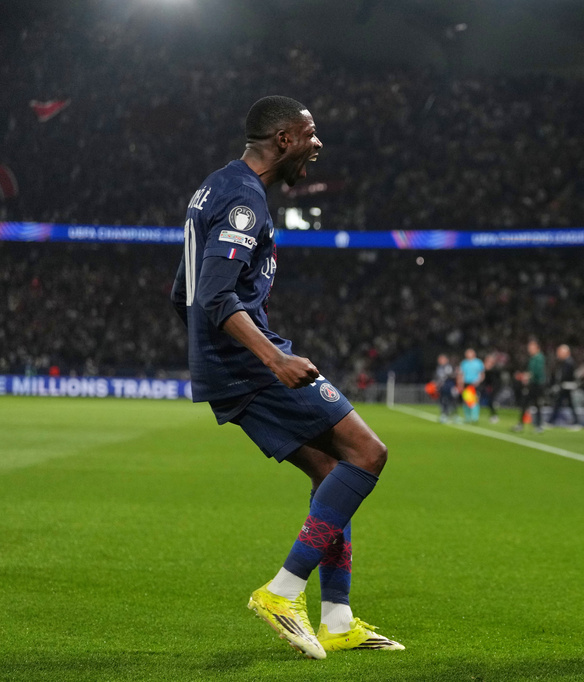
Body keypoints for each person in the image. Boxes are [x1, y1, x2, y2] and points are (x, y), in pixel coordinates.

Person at [170, 96, 402, 659]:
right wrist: (272, 359)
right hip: (250, 365)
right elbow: (217, 296)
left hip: (230, 363)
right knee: (368, 453)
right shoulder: (244, 201)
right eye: (310, 134)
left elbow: (184, 294)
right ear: (282, 139)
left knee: (332, 478)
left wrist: (210, 352)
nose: (318, 144)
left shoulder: (216, 186)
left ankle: (338, 619)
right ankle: (282, 592)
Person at [513, 339, 546, 433]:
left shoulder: (539, 358)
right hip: (533, 384)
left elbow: (536, 372)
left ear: (536, 348)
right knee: (526, 403)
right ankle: (522, 424)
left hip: (537, 385)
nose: (529, 349)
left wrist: (525, 376)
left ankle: (538, 425)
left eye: (531, 347)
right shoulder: (533, 358)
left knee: (536, 404)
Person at [548, 344, 581, 429]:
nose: (558, 354)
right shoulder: (565, 362)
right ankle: (576, 422)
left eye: (560, 352)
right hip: (565, 386)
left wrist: (559, 384)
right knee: (563, 404)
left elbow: (566, 376)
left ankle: (552, 421)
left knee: (561, 404)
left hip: (566, 386)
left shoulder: (569, 363)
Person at [458, 348, 485, 424]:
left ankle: (475, 418)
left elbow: (482, 374)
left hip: (475, 384)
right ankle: (467, 417)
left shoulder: (478, 363)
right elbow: (461, 374)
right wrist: (460, 384)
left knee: (475, 400)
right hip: (466, 383)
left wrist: (478, 381)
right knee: (466, 400)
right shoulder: (464, 363)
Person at [434, 353, 457, 422]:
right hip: (442, 387)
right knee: (443, 400)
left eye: (442, 359)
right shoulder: (439, 368)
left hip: (449, 386)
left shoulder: (449, 367)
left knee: (452, 400)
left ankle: (454, 415)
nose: (441, 361)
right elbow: (438, 378)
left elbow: (453, 375)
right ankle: (444, 414)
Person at [480, 353, 502, 423]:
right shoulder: (485, 368)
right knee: (489, 401)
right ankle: (493, 414)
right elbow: (485, 379)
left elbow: (496, 378)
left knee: (491, 401)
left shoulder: (495, 368)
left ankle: (494, 415)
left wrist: (488, 369)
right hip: (489, 387)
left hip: (495, 386)